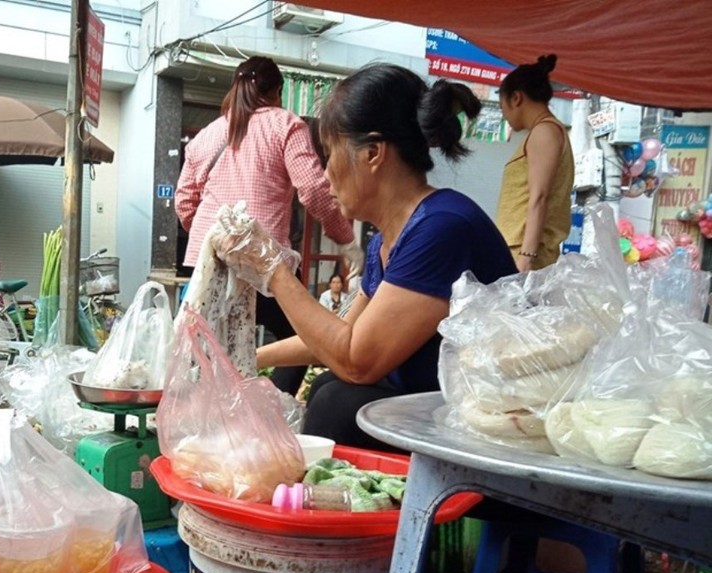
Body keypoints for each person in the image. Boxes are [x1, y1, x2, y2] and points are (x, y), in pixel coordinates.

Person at [210, 63, 518, 449]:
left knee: (338, 402)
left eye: (329, 154)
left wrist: (273, 270)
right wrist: (244, 358)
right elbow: (339, 338)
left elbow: (357, 362)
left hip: (488, 420)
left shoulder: (442, 227)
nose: (325, 174)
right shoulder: (387, 241)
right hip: (434, 404)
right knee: (328, 387)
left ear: (372, 153)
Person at [175, 55, 361, 396]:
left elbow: (185, 202)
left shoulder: (206, 135)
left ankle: (215, 412)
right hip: (262, 262)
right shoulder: (285, 124)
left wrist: (212, 239)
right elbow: (313, 189)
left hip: (208, 260)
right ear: (277, 92)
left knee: (204, 349)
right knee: (307, 336)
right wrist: (346, 240)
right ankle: (268, 409)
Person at [495, 54, 574, 272]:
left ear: (516, 98)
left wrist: (526, 258)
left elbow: (539, 197)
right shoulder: (545, 131)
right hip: (519, 250)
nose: (504, 116)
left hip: (526, 254)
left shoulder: (545, 132)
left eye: (502, 107)